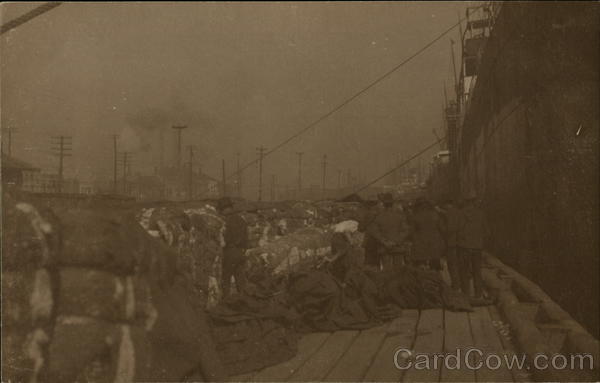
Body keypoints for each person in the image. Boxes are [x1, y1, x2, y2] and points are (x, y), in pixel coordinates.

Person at [457, 193, 489, 299]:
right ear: (474, 202)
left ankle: (466, 294)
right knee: (477, 271)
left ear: (465, 202)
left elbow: (459, 230)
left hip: (464, 246)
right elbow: (487, 231)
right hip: (477, 247)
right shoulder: (481, 214)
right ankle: (478, 294)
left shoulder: (461, 214)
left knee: (464, 271)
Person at [367, 193, 409, 270]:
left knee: (387, 272)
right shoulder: (400, 216)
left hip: (384, 248)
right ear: (393, 203)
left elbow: (374, 232)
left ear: (383, 204)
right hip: (398, 247)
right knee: (399, 271)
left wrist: (385, 242)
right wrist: (396, 241)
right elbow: (405, 231)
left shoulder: (379, 217)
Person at [218, 197, 249, 298]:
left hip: (230, 252)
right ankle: (244, 302)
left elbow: (225, 240)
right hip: (241, 252)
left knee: (226, 278)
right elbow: (246, 238)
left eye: (221, 209)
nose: (221, 212)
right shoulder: (241, 220)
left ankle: (225, 302)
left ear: (225, 209)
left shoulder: (226, 221)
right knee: (240, 279)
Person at [407, 198, 445, 272]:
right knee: (435, 268)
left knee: (421, 270)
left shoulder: (415, 216)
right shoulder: (435, 215)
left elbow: (411, 232)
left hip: (420, 246)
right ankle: (435, 281)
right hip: (435, 245)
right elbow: (442, 229)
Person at [441, 198, 462, 290]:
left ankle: (456, 285)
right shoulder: (459, 212)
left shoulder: (448, 213)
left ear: (446, 204)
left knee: (452, 265)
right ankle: (460, 284)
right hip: (461, 242)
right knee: (459, 264)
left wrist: (441, 227)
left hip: (451, 243)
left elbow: (448, 229)